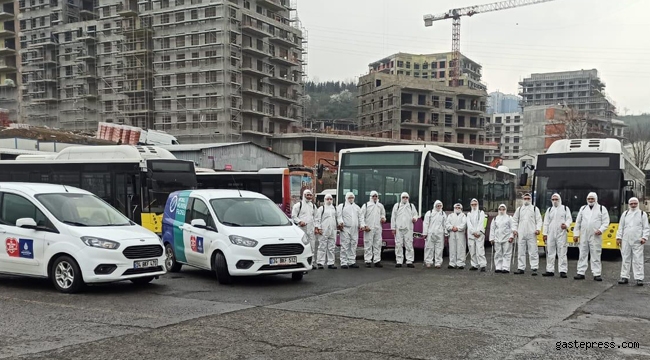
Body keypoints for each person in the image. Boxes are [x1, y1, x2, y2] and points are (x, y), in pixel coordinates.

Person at [573, 192, 610, 281]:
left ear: (596, 199)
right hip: (584, 235)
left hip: (595, 235)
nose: (590, 200)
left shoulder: (602, 209)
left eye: (592, 199)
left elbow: (606, 222)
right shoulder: (583, 208)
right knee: (582, 253)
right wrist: (576, 234)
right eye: (589, 199)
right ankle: (580, 272)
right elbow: (578, 222)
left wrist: (601, 230)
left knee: (596, 254)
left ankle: (596, 273)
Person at [616, 197, 648, 286]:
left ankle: (639, 278)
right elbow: (621, 227)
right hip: (626, 240)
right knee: (625, 258)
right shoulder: (625, 214)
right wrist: (619, 237)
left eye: (635, 203)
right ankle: (624, 276)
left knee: (638, 259)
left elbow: (646, 227)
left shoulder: (642, 214)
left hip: (638, 240)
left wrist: (644, 237)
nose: (633, 205)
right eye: (631, 204)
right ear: (629, 204)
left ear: (637, 204)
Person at [542, 193, 573, 278]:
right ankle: (550, 270)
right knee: (550, 252)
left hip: (561, 233)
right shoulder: (549, 210)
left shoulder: (565, 209)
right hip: (551, 233)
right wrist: (544, 233)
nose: (555, 201)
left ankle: (562, 270)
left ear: (559, 200)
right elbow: (546, 223)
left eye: (556, 199)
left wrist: (566, 225)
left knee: (562, 252)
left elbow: (569, 219)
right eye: (553, 199)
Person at [512, 193, 543, 275]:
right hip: (521, 232)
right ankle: (521, 268)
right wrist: (514, 229)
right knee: (521, 251)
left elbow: (539, 220)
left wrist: (538, 229)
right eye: (525, 198)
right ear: (523, 199)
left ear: (531, 199)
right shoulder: (519, 209)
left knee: (533, 251)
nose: (526, 200)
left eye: (528, 198)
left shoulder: (535, 209)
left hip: (532, 233)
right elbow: (515, 220)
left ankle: (534, 268)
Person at [391, 192, 419, 268]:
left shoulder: (411, 206)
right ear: (401, 198)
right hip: (399, 229)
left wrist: (414, 218)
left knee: (409, 245)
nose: (405, 199)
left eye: (406, 197)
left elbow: (416, 214)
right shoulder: (396, 206)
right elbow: (393, 217)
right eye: (403, 197)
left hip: (408, 229)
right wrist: (393, 228)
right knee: (398, 245)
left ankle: (409, 261)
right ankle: (399, 261)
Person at [360, 190, 386, 268]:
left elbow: (383, 214)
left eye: (376, 196)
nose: (375, 197)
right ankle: (368, 260)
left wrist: (383, 219)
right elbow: (361, 216)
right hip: (369, 228)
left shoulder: (380, 206)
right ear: (371, 197)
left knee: (378, 244)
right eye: (373, 196)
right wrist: (364, 226)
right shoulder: (366, 205)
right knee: (368, 244)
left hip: (378, 228)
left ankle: (377, 260)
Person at [292, 189, 317, 269]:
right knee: (302, 246)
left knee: (312, 246)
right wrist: (299, 222)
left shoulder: (313, 206)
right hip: (301, 229)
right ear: (304, 195)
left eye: (310, 195)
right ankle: (300, 262)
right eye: (307, 195)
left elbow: (316, 217)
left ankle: (311, 263)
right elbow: (294, 216)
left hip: (311, 229)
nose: (309, 197)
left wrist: (316, 227)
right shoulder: (298, 205)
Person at [337, 192, 363, 269]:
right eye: (349, 198)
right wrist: (340, 223)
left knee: (353, 245)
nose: (351, 199)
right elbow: (339, 216)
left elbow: (360, 217)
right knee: (345, 245)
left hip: (355, 229)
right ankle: (344, 262)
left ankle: (352, 261)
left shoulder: (357, 207)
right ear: (346, 198)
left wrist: (362, 225)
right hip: (345, 228)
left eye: (352, 197)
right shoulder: (342, 206)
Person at [314, 194, 337, 269]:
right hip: (324, 230)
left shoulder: (334, 208)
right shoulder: (322, 208)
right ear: (324, 200)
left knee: (331, 247)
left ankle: (331, 262)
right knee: (322, 246)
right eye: (327, 199)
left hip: (332, 230)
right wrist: (319, 228)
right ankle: (320, 262)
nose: (329, 200)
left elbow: (337, 218)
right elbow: (317, 219)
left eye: (330, 199)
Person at [422, 200, 447, 268]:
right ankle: (428, 262)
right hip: (430, 233)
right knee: (429, 248)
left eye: (440, 206)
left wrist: (445, 232)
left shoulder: (443, 213)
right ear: (435, 206)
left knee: (439, 248)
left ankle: (438, 263)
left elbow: (445, 224)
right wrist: (425, 233)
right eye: (437, 206)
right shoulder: (429, 213)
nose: (439, 207)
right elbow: (426, 223)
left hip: (440, 234)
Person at [490, 204, 514, 273]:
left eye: (503, 209)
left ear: (505, 210)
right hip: (497, 239)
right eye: (500, 209)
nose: (502, 211)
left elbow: (512, 227)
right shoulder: (495, 219)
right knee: (498, 253)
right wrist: (492, 238)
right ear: (498, 210)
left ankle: (505, 268)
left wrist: (511, 236)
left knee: (506, 253)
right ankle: (498, 267)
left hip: (507, 239)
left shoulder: (509, 218)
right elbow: (492, 229)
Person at [467, 198, 487, 272]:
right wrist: (473, 232)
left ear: (477, 204)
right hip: (471, 235)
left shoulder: (481, 213)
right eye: (472, 204)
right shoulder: (469, 214)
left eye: (475, 204)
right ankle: (474, 265)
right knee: (472, 251)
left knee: (480, 250)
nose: (474, 206)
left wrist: (478, 232)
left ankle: (482, 265)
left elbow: (482, 223)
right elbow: (469, 224)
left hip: (479, 235)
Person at [446, 203, 467, 269]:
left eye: (459, 208)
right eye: (456, 208)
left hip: (460, 234)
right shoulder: (450, 215)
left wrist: (457, 228)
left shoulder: (463, 215)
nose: (457, 209)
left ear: (461, 209)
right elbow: (447, 224)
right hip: (452, 233)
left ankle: (460, 263)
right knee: (452, 248)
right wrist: (452, 228)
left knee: (461, 248)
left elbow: (464, 224)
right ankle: (452, 263)